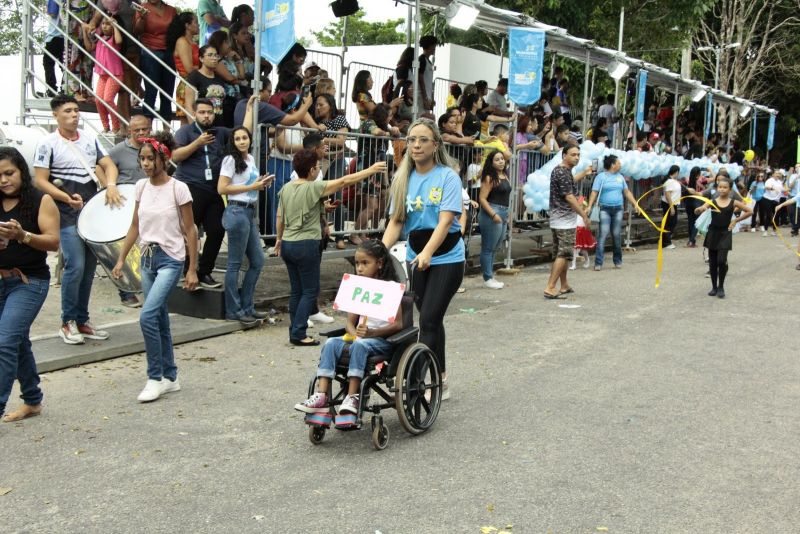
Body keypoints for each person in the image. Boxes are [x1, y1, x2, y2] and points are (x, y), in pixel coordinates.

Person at [112, 133, 199, 402]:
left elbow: (191, 229)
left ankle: (154, 377)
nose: (146, 164)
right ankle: (170, 377)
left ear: (164, 158)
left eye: (151, 158)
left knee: (147, 316)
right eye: (142, 159)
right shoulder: (140, 187)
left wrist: (192, 268)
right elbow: (135, 226)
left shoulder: (178, 188)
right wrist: (120, 259)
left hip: (171, 259)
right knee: (158, 317)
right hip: (147, 258)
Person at [382, 119, 465, 400]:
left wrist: (428, 252)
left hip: (447, 257)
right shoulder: (402, 178)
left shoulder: (448, 177)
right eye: (412, 139)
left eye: (423, 140)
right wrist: (378, 252)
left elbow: (445, 222)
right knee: (430, 320)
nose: (416, 145)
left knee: (429, 318)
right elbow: (396, 222)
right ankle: (440, 377)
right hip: (415, 256)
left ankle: (419, 384)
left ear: (436, 145)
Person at [33, 94, 121, 345]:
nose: (74, 115)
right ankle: (67, 321)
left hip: (91, 210)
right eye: (68, 111)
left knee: (90, 268)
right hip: (65, 212)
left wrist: (111, 184)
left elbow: (109, 165)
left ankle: (82, 320)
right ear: (56, 115)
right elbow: (40, 180)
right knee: (76, 266)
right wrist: (64, 197)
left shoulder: (90, 138)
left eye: (76, 110)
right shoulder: (47, 143)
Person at [276, 149, 386, 346]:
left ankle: (295, 329)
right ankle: (299, 333)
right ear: (311, 170)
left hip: (288, 243)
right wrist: (371, 170)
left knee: (297, 290)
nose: (318, 171)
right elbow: (344, 181)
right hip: (306, 243)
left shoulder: (286, 188)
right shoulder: (313, 187)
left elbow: (280, 217)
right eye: (318, 168)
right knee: (309, 290)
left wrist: (278, 239)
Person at [294, 240, 403, 420]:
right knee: (330, 343)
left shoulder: (389, 289)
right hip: (360, 339)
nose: (359, 268)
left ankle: (352, 397)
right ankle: (322, 395)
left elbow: (398, 324)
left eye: (365, 263)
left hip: (382, 341)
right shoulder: (358, 289)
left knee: (360, 347)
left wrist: (371, 334)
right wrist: (354, 334)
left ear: (380, 263)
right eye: (357, 263)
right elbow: (349, 323)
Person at [0, 148, 60, 423]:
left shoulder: (40, 200)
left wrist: (22, 235)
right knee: (17, 341)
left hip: (29, 282)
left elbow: (53, 241)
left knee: (4, 342)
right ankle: (33, 401)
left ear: (21, 172)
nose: (3, 180)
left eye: (9, 173)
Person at [171, 97, 254, 288]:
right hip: (191, 188)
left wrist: (249, 110)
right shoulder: (186, 132)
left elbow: (242, 132)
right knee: (189, 231)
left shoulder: (220, 132)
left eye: (209, 112)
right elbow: (175, 156)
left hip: (214, 189)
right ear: (194, 113)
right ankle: (187, 270)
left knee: (217, 230)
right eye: (202, 112)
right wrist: (197, 143)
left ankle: (205, 271)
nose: (206, 116)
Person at [217, 125, 274, 325]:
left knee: (257, 260)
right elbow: (222, 188)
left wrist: (260, 183)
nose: (242, 141)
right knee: (235, 263)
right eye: (238, 138)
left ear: (250, 139)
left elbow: (246, 184)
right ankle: (234, 310)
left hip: (248, 211)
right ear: (233, 142)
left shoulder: (249, 159)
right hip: (236, 210)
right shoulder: (230, 159)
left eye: (244, 138)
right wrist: (253, 186)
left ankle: (246, 306)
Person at [108, 113, 153, 307]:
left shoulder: (154, 148)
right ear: (129, 131)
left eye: (145, 129)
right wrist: (109, 186)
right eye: (137, 130)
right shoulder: (117, 151)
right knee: (126, 248)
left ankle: (147, 288)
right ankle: (125, 292)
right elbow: (101, 167)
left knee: (147, 246)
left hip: (149, 202)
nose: (142, 133)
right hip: (126, 205)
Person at [543, 145, 591, 299]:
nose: (577, 157)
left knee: (563, 252)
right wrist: (583, 214)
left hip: (560, 219)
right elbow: (569, 197)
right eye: (573, 154)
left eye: (578, 155)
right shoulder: (562, 172)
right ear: (564, 155)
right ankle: (550, 286)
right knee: (564, 253)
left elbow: (569, 184)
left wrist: (583, 173)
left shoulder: (563, 171)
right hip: (563, 220)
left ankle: (563, 284)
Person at [694, 175, 752, 298]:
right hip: (713, 233)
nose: (722, 189)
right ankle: (714, 287)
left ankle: (721, 286)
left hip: (725, 233)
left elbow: (749, 211)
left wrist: (736, 220)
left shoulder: (733, 202)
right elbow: (704, 207)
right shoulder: (713, 201)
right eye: (720, 187)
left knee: (721, 261)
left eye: (725, 187)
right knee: (713, 262)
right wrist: (700, 209)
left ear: (730, 189)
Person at [586, 155, 641, 269]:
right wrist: (590, 206)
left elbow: (627, 192)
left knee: (616, 235)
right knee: (603, 235)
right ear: (612, 165)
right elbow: (594, 192)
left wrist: (635, 204)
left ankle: (617, 260)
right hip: (604, 209)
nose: (620, 165)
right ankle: (598, 262)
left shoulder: (620, 177)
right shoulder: (601, 177)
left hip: (618, 209)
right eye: (618, 163)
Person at [314, 93, 351, 248]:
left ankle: (340, 236)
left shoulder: (339, 119)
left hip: (336, 160)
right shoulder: (316, 122)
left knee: (336, 196)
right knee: (318, 196)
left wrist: (322, 139)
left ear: (330, 104)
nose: (318, 107)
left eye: (321, 104)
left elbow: (341, 140)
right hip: (320, 160)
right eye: (316, 105)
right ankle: (320, 233)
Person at [133, 0, 177, 126]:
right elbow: (137, 31)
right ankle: (147, 128)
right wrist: (141, 17)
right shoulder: (142, 7)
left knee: (167, 91)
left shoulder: (171, 10)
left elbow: (177, 30)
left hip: (169, 51)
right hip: (150, 51)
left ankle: (166, 130)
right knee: (151, 91)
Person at [82, 16, 124, 133]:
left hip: (114, 74)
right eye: (103, 24)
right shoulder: (99, 39)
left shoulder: (114, 39)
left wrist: (115, 26)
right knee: (98, 100)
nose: (105, 26)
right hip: (102, 74)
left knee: (108, 99)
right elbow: (89, 47)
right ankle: (106, 126)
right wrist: (85, 32)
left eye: (108, 24)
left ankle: (116, 126)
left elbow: (119, 40)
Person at [477, 150, 511, 289]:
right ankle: (487, 277)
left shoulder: (505, 175)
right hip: (492, 212)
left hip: (503, 212)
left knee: (496, 247)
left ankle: (490, 275)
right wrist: (493, 214)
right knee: (488, 247)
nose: (501, 161)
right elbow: (482, 199)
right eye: (497, 159)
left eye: (502, 159)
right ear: (491, 162)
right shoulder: (489, 177)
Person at [207, 30, 246, 127]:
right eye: (226, 42)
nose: (229, 45)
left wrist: (238, 60)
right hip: (225, 100)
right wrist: (239, 81)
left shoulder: (228, 60)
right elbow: (229, 78)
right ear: (219, 43)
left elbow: (242, 76)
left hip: (235, 98)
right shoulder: (216, 61)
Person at [167, 11, 200, 125]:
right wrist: (206, 66)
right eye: (195, 22)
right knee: (186, 124)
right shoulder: (182, 41)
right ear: (187, 25)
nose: (199, 25)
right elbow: (189, 69)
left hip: (194, 83)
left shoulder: (193, 42)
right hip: (187, 84)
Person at [185, 45, 228, 126]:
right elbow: (188, 105)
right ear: (201, 59)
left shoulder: (219, 78)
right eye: (210, 55)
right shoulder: (194, 76)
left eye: (216, 55)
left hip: (219, 125)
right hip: (202, 125)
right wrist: (194, 127)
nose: (214, 58)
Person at [43, 0, 64, 96]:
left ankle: (51, 89)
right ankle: (65, 87)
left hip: (54, 35)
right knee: (64, 64)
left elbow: (52, 13)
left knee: (48, 63)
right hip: (63, 36)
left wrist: (46, 8)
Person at [660, 165, 682, 249]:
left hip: (674, 204)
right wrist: (671, 206)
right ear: (676, 172)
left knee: (672, 222)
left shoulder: (673, 181)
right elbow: (667, 194)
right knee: (669, 223)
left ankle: (666, 240)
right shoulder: (669, 181)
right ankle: (666, 242)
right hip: (669, 204)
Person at [682, 166, 704, 248]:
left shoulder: (686, 181)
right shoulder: (701, 180)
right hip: (696, 203)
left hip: (688, 203)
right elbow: (712, 179)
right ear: (698, 174)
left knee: (690, 222)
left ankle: (691, 241)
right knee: (697, 222)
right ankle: (691, 240)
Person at [417, 35, 438, 113]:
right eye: (434, 46)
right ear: (429, 46)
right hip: (421, 97)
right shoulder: (422, 60)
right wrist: (425, 98)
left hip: (426, 96)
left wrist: (431, 98)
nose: (435, 48)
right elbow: (421, 79)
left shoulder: (427, 61)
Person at [762, 171, 783, 236]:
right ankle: (765, 230)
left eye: (778, 173)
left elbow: (782, 189)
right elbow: (766, 187)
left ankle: (774, 231)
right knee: (768, 215)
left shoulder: (780, 182)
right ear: (773, 174)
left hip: (776, 200)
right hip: (767, 199)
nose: (777, 174)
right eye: (776, 173)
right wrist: (772, 188)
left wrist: (787, 190)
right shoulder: (769, 180)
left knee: (776, 215)